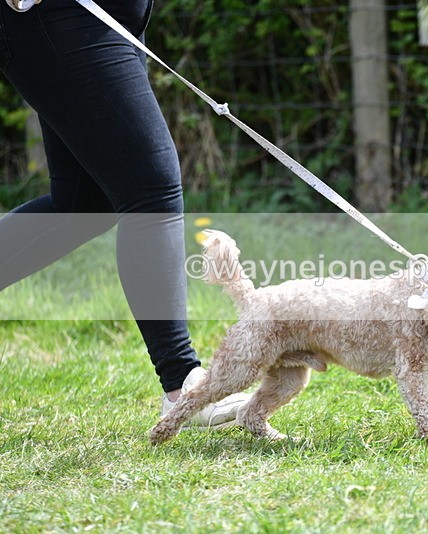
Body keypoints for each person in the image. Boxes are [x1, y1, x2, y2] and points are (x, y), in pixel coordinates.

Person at [0, 0, 248, 425]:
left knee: (83, 203)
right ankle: (182, 384)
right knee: (150, 185)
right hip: (56, 13)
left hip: (111, 14)